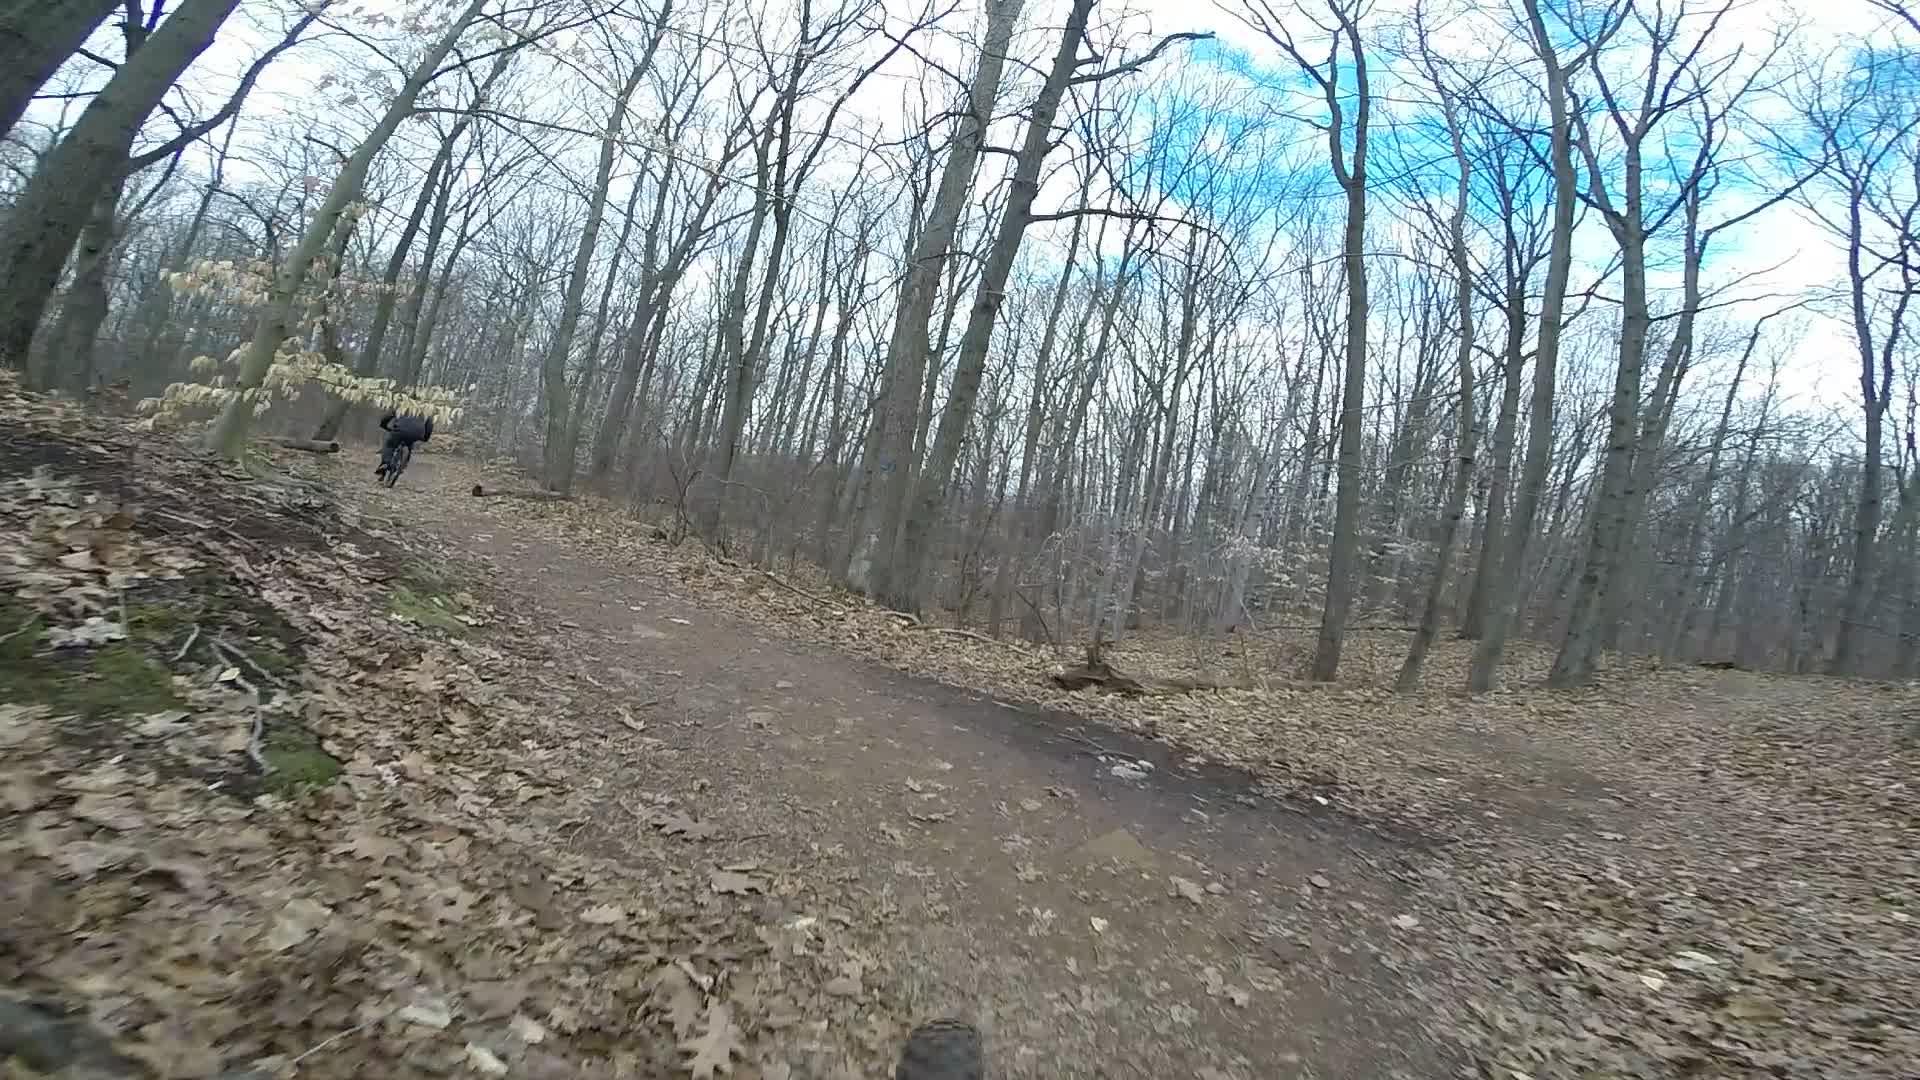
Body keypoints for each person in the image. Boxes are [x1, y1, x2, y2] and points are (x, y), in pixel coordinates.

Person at [375, 408, 434, 479]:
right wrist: (425, 438)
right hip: (417, 433)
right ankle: (404, 464)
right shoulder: (426, 409)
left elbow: (387, 416)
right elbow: (430, 424)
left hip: (400, 430)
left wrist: (383, 425)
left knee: (389, 445)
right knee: (409, 444)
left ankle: (385, 463)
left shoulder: (403, 406)